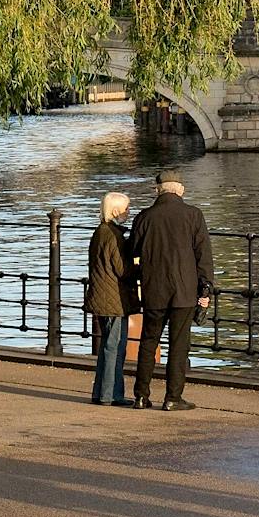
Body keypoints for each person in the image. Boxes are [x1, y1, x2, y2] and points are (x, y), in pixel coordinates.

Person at [129, 172, 214, 411]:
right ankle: (173, 397)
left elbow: (133, 251)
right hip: (184, 291)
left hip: (153, 289)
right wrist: (206, 288)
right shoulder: (193, 215)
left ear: (158, 190)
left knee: (148, 341)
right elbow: (203, 256)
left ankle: (141, 396)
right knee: (179, 344)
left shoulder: (144, 217)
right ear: (181, 190)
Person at [86, 192, 135, 406]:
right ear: (116, 210)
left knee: (108, 344)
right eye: (126, 208)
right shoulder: (113, 236)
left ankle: (101, 392)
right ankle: (111, 394)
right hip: (114, 298)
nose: (128, 212)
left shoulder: (100, 232)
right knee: (115, 346)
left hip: (103, 294)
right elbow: (122, 269)